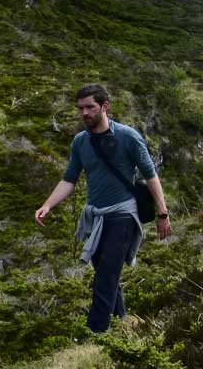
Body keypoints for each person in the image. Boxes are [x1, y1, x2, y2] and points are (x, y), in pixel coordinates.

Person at [35, 84, 171, 333]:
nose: (85, 113)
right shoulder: (80, 142)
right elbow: (69, 179)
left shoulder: (128, 136)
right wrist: (48, 205)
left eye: (90, 107)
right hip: (96, 216)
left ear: (104, 106)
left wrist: (162, 213)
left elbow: (151, 176)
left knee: (105, 276)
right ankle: (122, 321)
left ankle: (95, 332)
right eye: (80, 108)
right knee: (105, 272)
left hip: (123, 215)